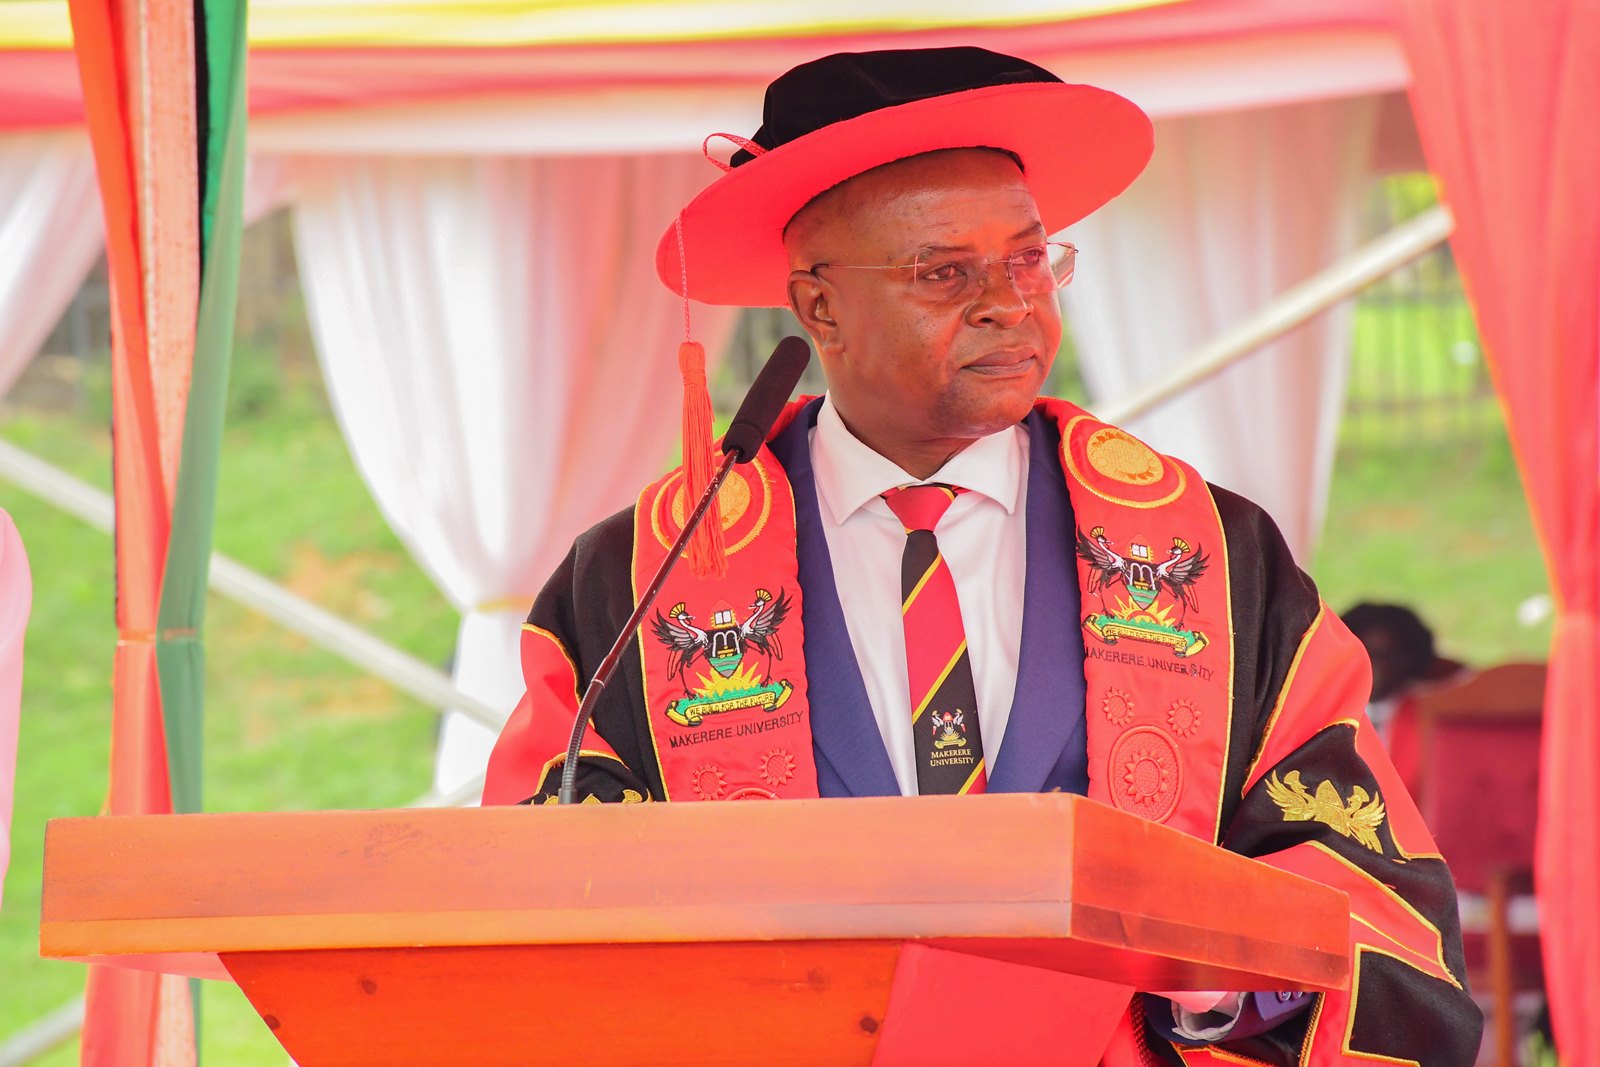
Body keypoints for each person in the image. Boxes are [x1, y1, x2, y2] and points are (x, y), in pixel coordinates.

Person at [484, 48, 1482, 1064]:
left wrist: (1215, 980)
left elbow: (1367, 889)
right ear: (818, 308)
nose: (1010, 303)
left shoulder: (1214, 557)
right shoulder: (646, 575)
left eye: (1028, 259)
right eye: (944, 273)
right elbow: (536, 901)